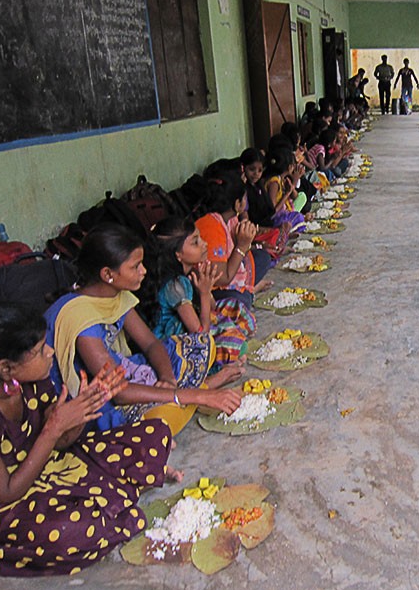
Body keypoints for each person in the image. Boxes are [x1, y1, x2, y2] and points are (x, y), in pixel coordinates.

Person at [0, 302, 172, 576]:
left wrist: (83, 410)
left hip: (54, 466)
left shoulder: (33, 382)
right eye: (39, 351)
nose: (50, 353)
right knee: (67, 530)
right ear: (6, 369)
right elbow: (7, 492)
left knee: (154, 433)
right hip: (9, 506)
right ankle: (106, 505)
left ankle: (103, 505)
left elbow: (62, 443)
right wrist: (53, 429)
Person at [44, 224, 242, 437]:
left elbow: (150, 343)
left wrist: (168, 379)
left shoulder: (115, 294)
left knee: (202, 344)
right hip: (97, 398)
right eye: (135, 266)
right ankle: (199, 392)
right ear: (108, 274)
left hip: (122, 369)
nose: (143, 271)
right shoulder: (80, 318)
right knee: (161, 421)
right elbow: (118, 392)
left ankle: (187, 396)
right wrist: (194, 396)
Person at [150, 217, 252, 369]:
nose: (204, 244)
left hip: (197, 325)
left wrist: (207, 288)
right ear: (178, 255)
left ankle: (230, 347)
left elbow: (212, 309)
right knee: (234, 343)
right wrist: (204, 293)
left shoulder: (191, 271)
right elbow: (200, 336)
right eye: (195, 242)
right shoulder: (175, 286)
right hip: (174, 348)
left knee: (235, 306)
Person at [194, 172, 272, 310]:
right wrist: (242, 246)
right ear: (237, 204)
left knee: (263, 257)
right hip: (213, 289)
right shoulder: (211, 226)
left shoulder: (230, 219)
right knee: (240, 302)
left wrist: (252, 243)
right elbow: (223, 279)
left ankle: (248, 289)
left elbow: (239, 251)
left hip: (230, 268)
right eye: (244, 199)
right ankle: (250, 290)